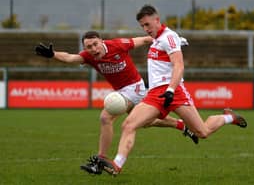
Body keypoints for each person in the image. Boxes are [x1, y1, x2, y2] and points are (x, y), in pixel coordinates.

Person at [95, 4, 248, 176]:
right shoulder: (156, 39)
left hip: (174, 93)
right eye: (142, 26)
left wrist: (171, 89)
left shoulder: (168, 37)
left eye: (147, 25)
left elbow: (179, 65)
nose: (146, 29)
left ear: (157, 20)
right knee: (129, 124)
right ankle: (117, 165)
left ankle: (228, 116)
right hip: (154, 94)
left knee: (203, 132)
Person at [34, 30, 198, 174]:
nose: (92, 49)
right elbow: (70, 58)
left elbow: (145, 39)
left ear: (101, 41)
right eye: (88, 47)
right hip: (121, 91)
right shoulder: (89, 56)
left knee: (106, 117)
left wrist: (173, 41)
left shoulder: (118, 45)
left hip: (135, 88)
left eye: (95, 44)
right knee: (147, 122)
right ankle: (182, 125)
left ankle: (100, 161)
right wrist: (53, 54)